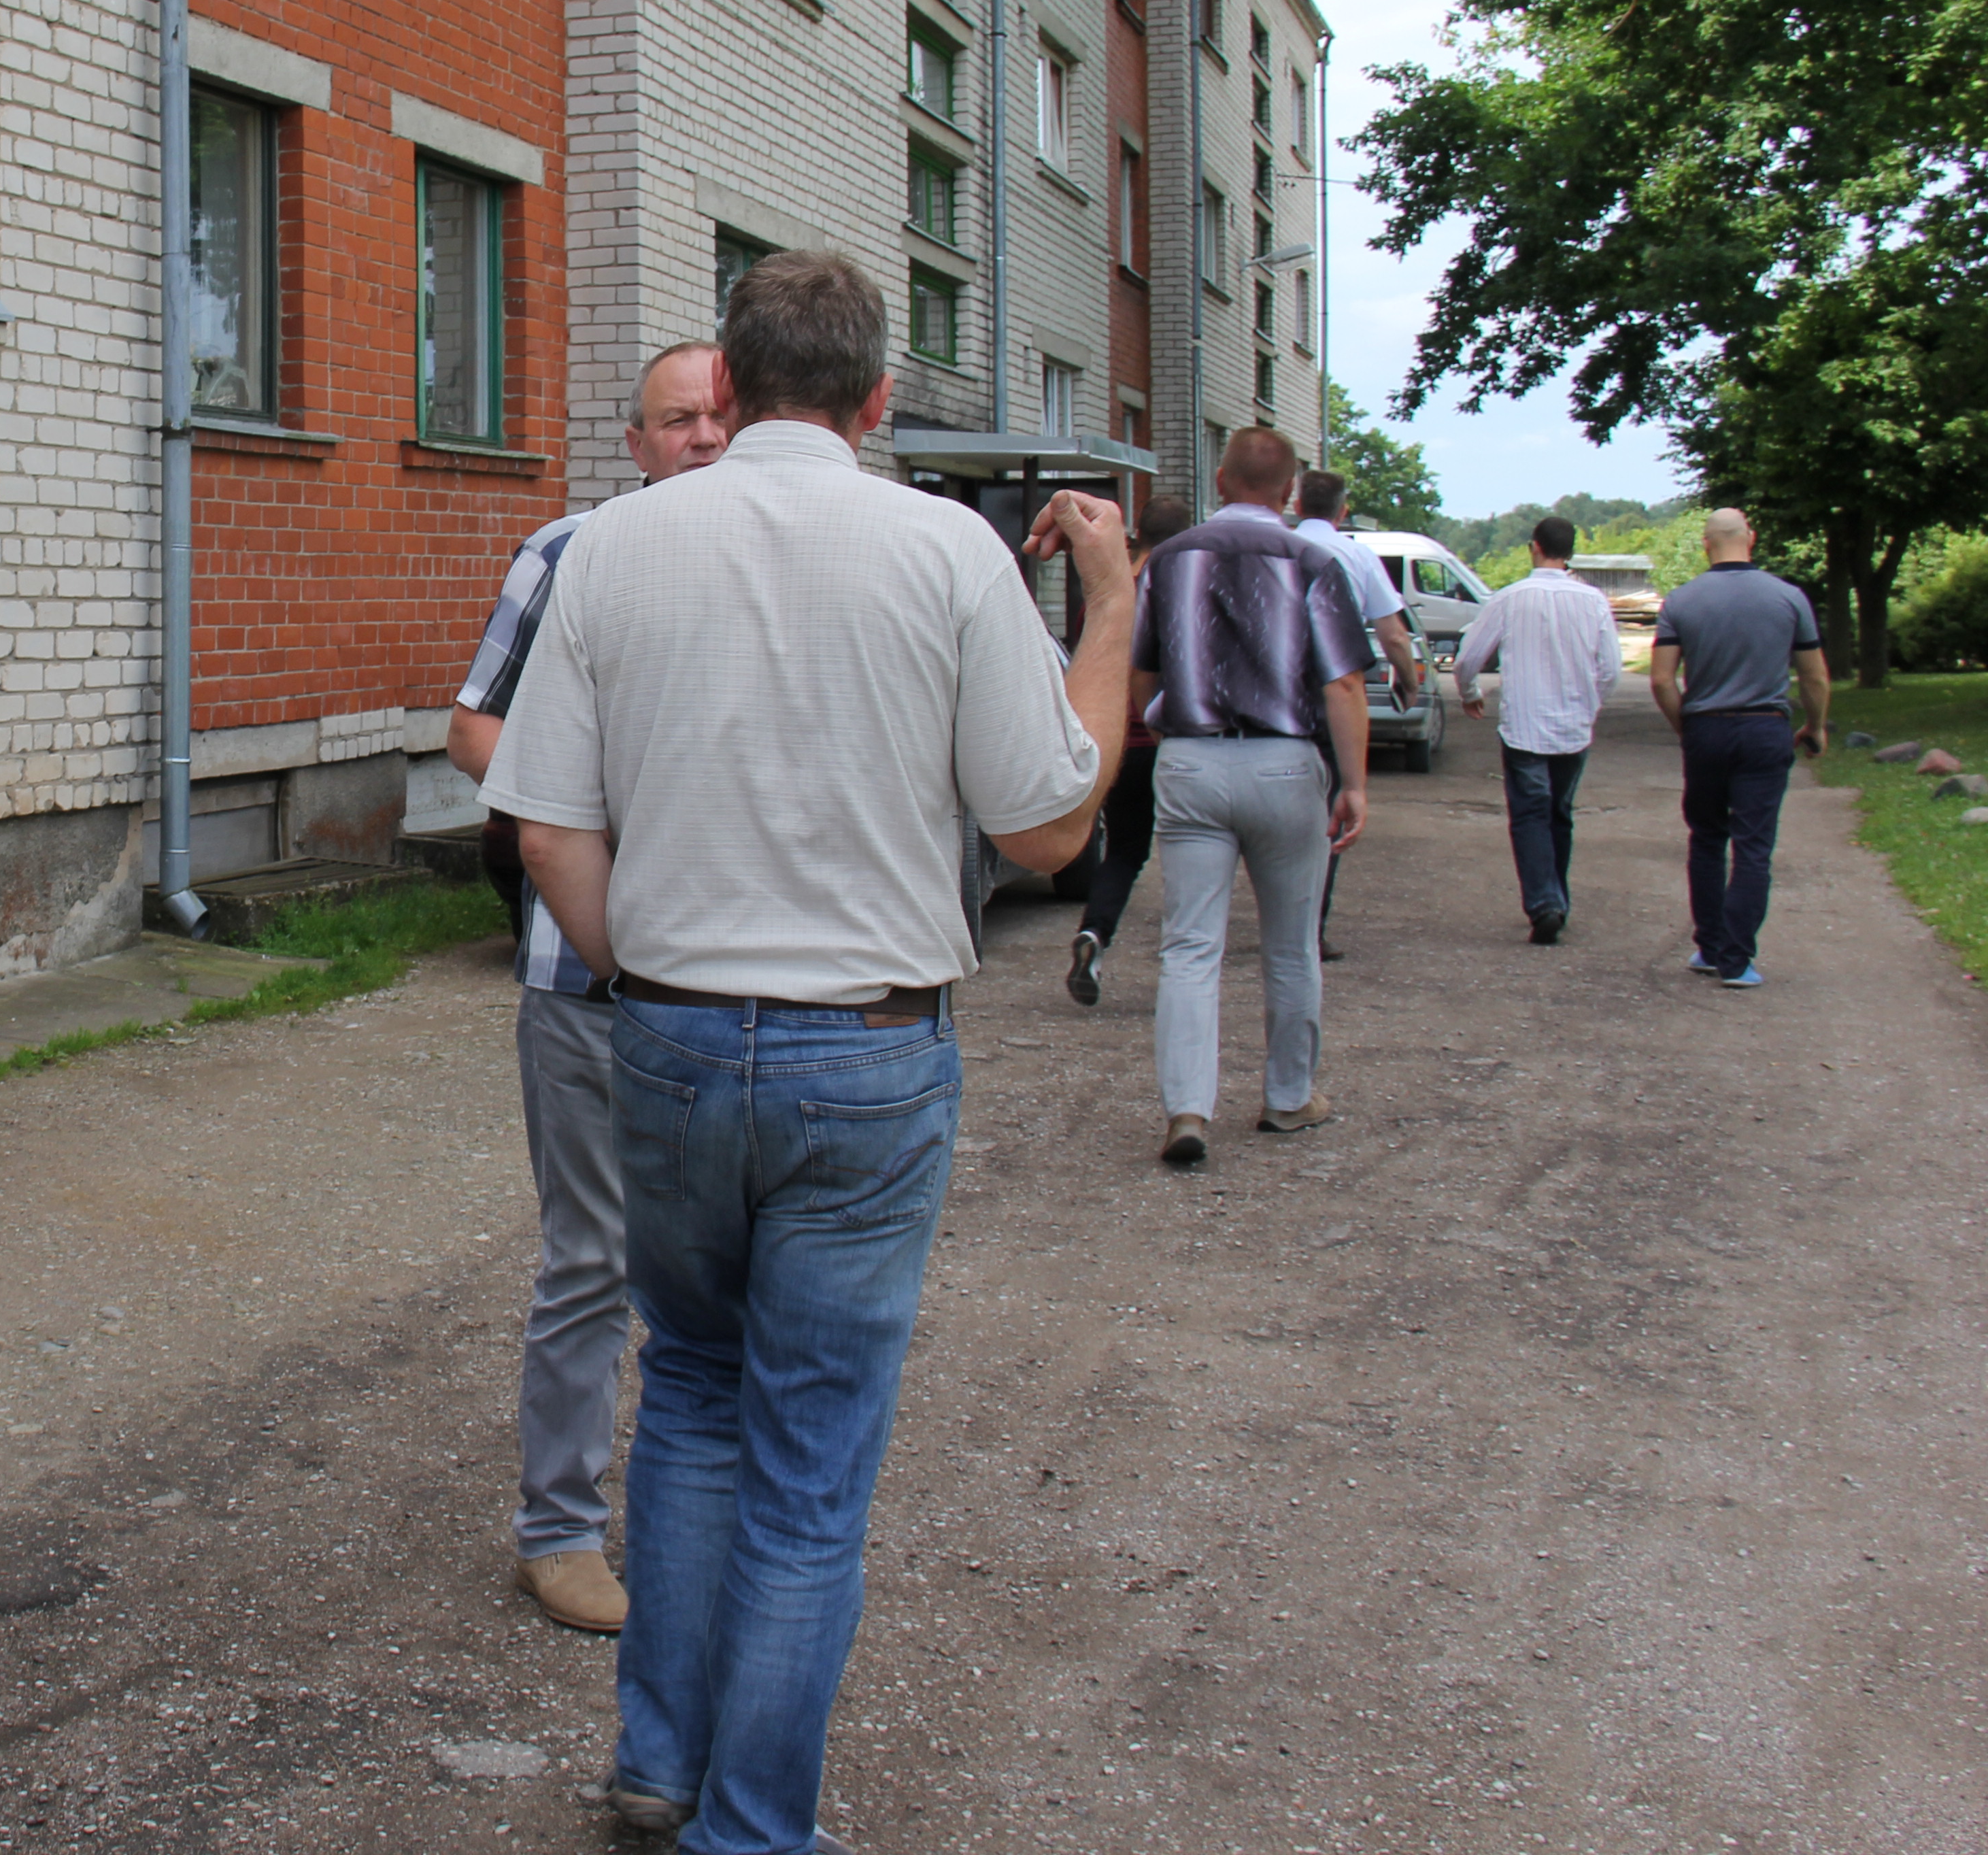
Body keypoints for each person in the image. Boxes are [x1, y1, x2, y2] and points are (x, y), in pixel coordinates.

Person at [482, 252, 1134, 1852]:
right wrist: (1112, 605)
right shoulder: (946, 551)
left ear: (729, 380)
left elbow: (544, 821)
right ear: (877, 398)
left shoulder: (611, 547)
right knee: (809, 1461)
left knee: (693, 1396)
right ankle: (752, 1826)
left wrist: (648, 974)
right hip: (865, 1051)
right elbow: (1050, 826)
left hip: (669, 1041)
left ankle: (660, 1758)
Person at [445, 340, 728, 1635]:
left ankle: (710, 1517)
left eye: (720, 416)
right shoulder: (569, 553)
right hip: (584, 980)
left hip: (744, 981)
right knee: (591, 1260)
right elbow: (474, 727)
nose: (702, 437)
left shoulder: (789, 554)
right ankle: (557, 1530)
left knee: (728, 1267)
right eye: (676, 420)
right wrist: (589, 811)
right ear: (636, 444)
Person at [1135, 427, 1373, 1170]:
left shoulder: (1168, 560)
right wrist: (1355, 783)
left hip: (1192, 760)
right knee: (1291, 944)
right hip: (1284, 763)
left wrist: (1160, 724)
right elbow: (1344, 684)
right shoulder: (1313, 561)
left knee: (1189, 946)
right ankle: (1288, 1096)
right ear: (1291, 492)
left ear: (1221, 479)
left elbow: (1141, 670)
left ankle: (1187, 1109)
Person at [1649, 508, 1833, 987]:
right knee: (1753, 847)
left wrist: (1687, 729)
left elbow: (1663, 680)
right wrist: (1815, 726)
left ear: (1706, 544)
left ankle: (1709, 947)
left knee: (1707, 837)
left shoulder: (1681, 601)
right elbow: (1814, 676)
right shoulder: (1789, 598)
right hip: (1765, 729)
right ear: (1750, 538)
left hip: (1706, 730)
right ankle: (1737, 960)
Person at [1451, 516, 1631, 943]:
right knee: (1560, 814)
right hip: (1574, 727)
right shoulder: (1593, 602)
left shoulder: (1510, 598)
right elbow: (1611, 669)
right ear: (1571, 551)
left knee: (1530, 814)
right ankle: (1557, 899)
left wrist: (1470, 693)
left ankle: (1544, 903)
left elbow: (1468, 658)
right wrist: (1591, 704)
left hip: (1525, 725)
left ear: (1534, 547)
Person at [1290, 471, 1419, 961]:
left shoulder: (1278, 546)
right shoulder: (1357, 556)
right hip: (1332, 692)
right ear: (1343, 512)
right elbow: (1394, 635)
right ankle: (1310, 927)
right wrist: (1407, 680)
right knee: (1329, 811)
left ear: (1297, 504)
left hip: (1273, 693)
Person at [1066, 496, 1190, 1005]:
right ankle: (1186, 961)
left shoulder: (1105, 595)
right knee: (1192, 851)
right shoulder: (1179, 592)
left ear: (1138, 532)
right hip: (1167, 739)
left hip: (1115, 742)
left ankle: (1095, 931)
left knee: (1122, 851)